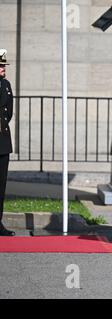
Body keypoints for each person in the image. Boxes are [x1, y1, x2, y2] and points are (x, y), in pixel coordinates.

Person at [0, 49, 15, 236]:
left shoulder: (5, 84)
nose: (3, 68)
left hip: (3, 140)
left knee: (1, 184)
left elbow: (8, 112)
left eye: (3, 65)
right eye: (1, 66)